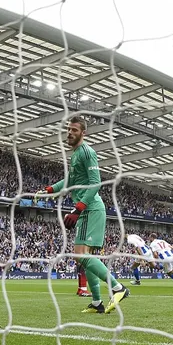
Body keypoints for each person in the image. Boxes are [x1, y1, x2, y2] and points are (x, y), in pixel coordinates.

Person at [36, 116, 129, 314]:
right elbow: (71, 180)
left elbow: (96, 182)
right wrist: (50, 189)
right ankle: (97, 303)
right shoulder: (76, 154)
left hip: (90, 209)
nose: (69, 133)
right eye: (68, 129)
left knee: (80, 256)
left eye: (74, 130)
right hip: (86, 209)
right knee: (84, 258)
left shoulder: (87, 152)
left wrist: (78, 209)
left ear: (83, 133)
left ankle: (118, 287)